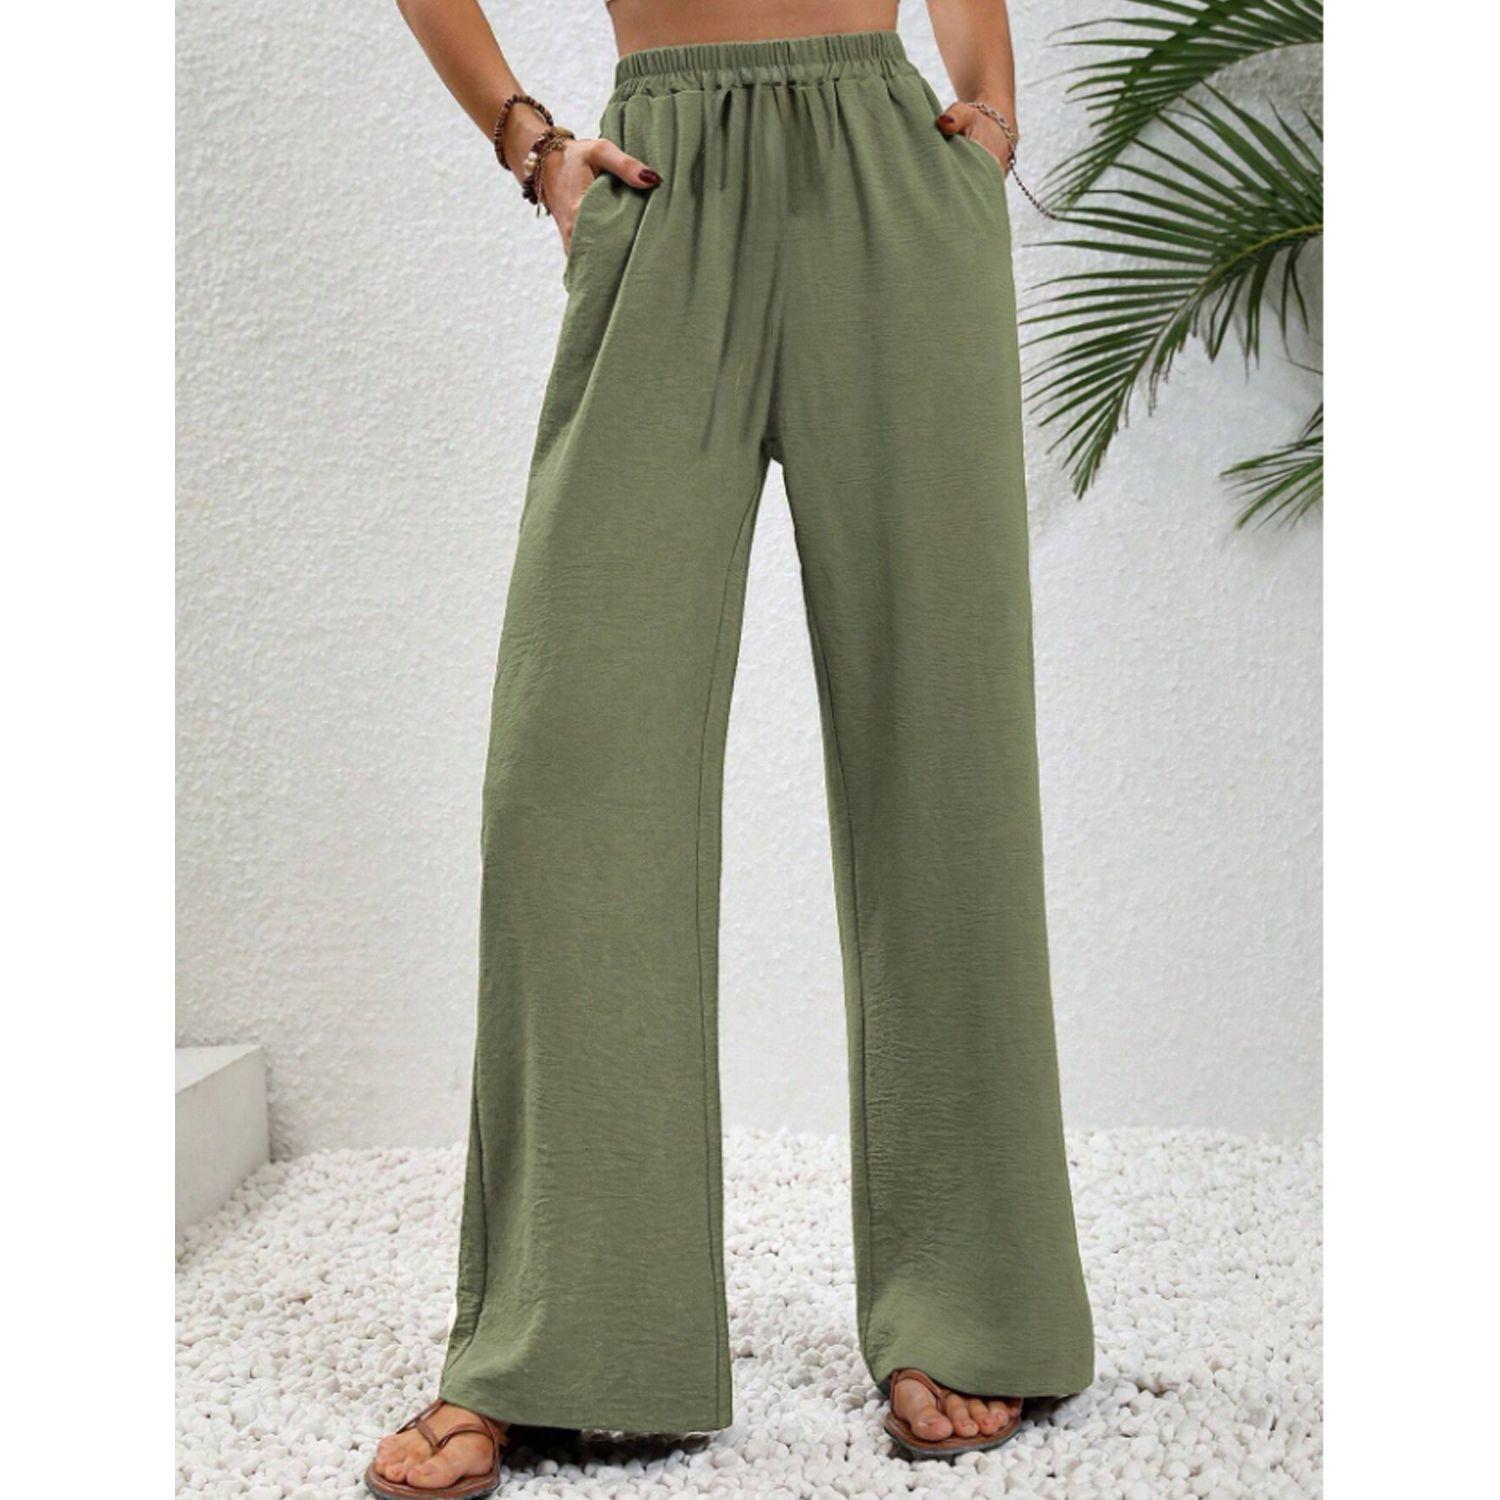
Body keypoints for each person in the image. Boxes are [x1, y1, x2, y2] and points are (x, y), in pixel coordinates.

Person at [366, 1, 1093, 1494]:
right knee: (574, 772)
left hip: (892, 174)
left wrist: (991, 110)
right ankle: (567, 1337)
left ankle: (973, 1306)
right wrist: (531, 144)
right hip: (664, 183)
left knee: (943, 754)